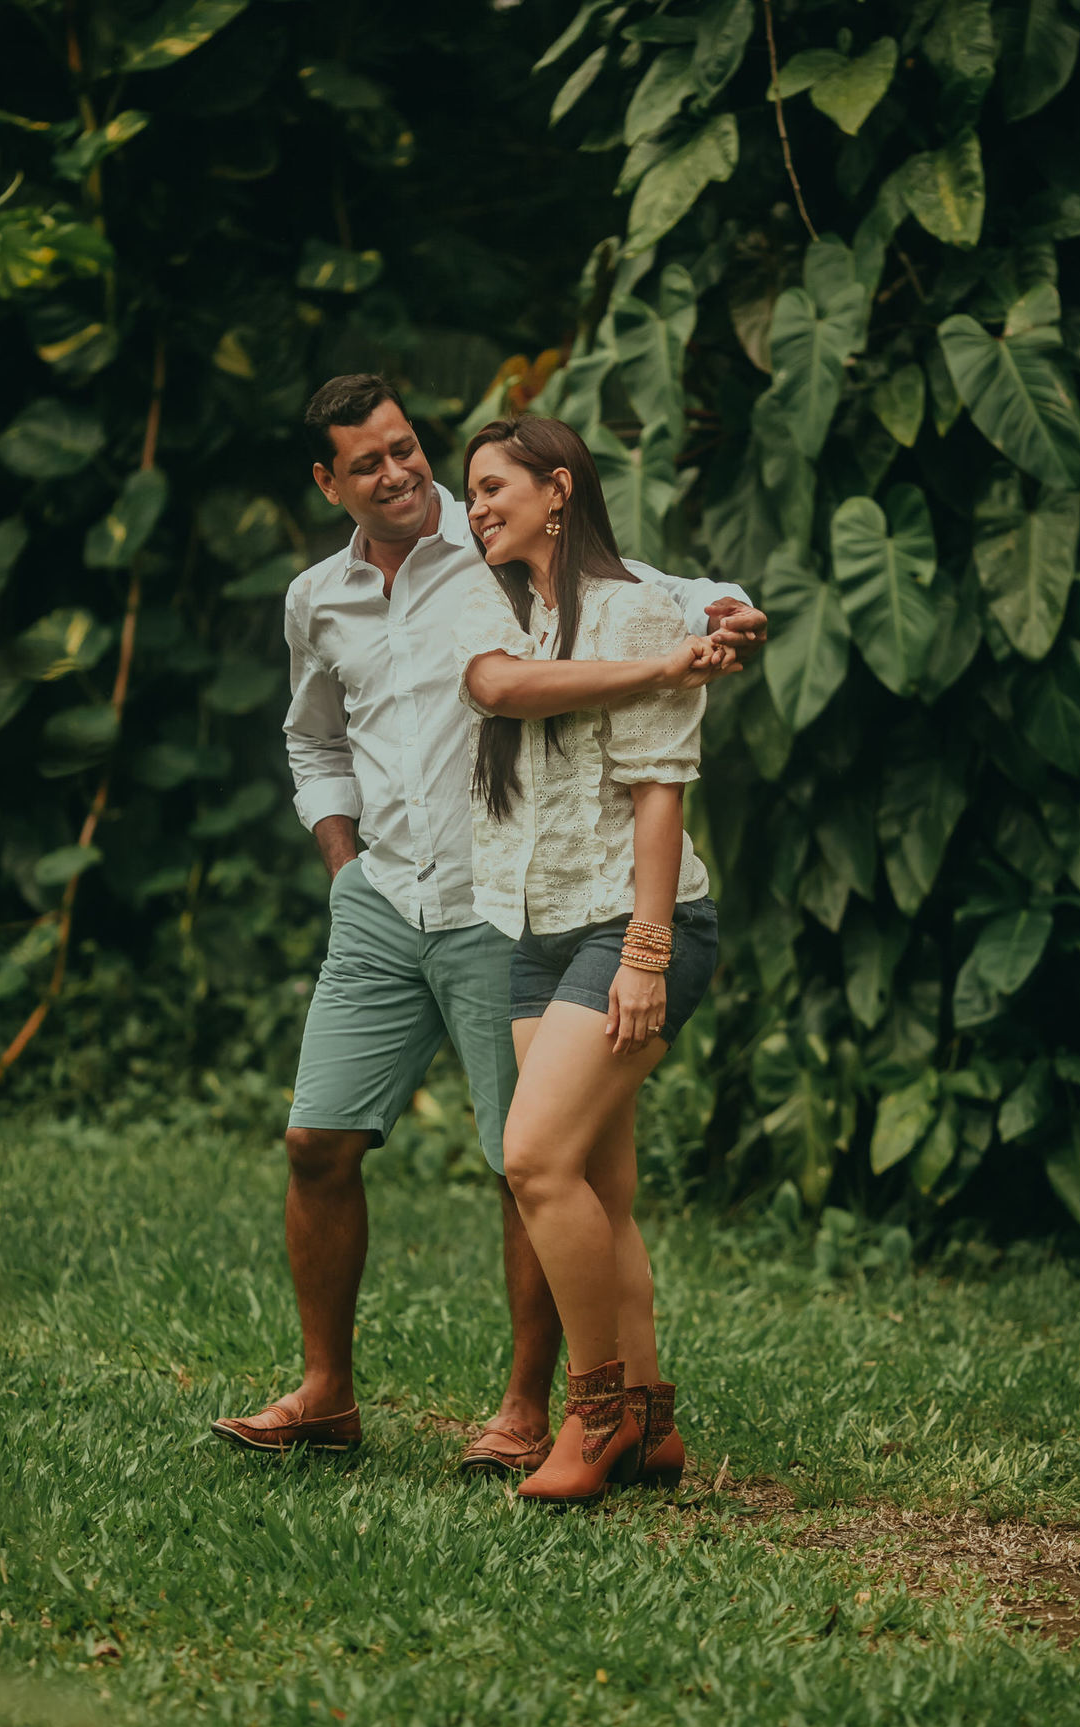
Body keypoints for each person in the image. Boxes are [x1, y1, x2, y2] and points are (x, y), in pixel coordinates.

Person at [210, 374, 766, 1465]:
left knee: (528, 1161)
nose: (404, 474)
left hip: (501, 906)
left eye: (407, 448)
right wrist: (341, 860)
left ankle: (525, 1409)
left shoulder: (496, 538)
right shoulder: (314, 599)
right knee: (317, 1139)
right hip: (379, 900)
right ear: (328, 482)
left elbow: (652, 583)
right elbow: (311, 739)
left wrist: (728, 605)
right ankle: (326, 1395)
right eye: (369, 462)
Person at [455, 416, 720, 1504]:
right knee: (599, 1186)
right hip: (536, 925)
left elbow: (662, 791)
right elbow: (497, 693)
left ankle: (597, 1413)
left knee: (535, 1162)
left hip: (633, 920)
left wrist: (647, 954)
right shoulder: (511, 618)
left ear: (559, 490)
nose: (475, 508)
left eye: (491, 487)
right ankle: (654, 1425)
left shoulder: (633, 609)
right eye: (468, 493)